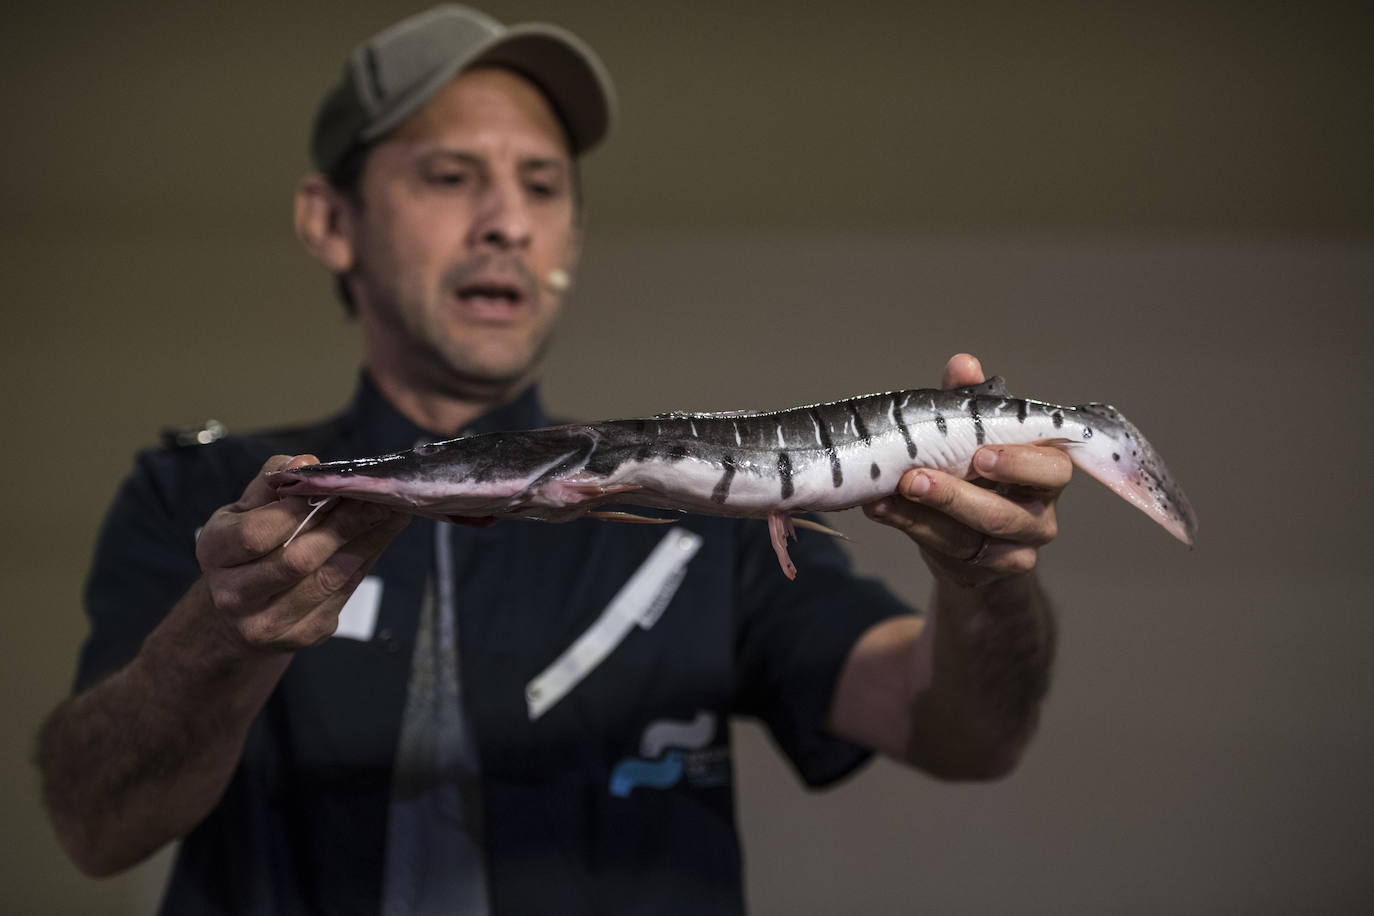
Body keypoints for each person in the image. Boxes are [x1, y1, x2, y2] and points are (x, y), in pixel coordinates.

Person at [37, 5, 1067, 914]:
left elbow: (968, 737)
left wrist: (988, 584)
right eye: (450, 176)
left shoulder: (712, 508)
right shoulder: (199, 495)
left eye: (543, 185)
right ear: (329, 219)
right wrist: (218, 641)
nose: (508, 222)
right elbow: (93, 825)